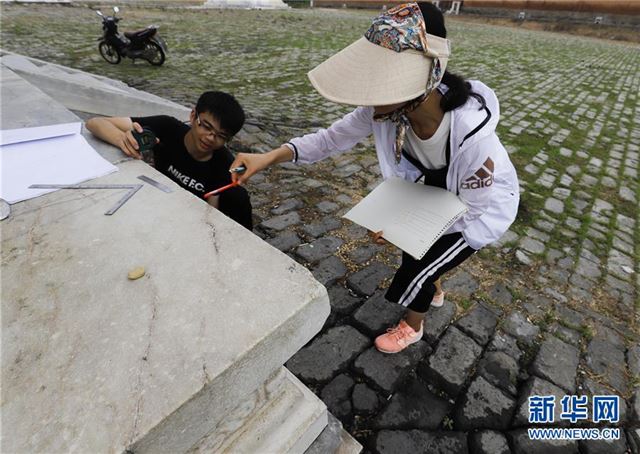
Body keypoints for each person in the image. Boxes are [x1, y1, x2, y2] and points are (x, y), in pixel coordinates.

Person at [231, 2, 519, 353]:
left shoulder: (474, 139)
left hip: (480, 206)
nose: (369, 93)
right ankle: (436, 287)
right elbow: (330, 139)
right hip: (436, 187)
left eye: (383, 80)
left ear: (425, 79)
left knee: (418, 263)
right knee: (416, 250)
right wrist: (270, 157)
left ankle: (413, 324)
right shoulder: (386, 109)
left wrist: (406, 225)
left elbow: (473, 209)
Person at [85, 91, 253, 230]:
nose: (210, 137)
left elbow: (210, 220)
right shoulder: (167, 128)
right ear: (193, 116)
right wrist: (124, 139)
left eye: (221, 136)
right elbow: (95, 123)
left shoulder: (225, 166)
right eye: (206, 126)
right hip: (154, 202)